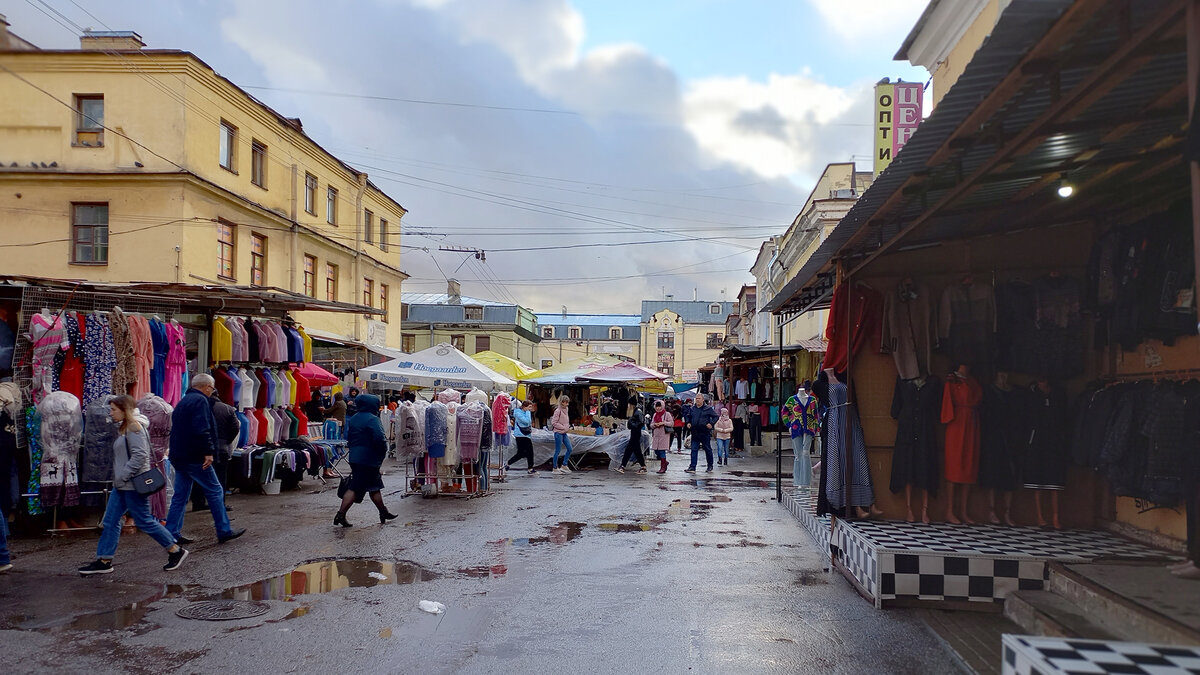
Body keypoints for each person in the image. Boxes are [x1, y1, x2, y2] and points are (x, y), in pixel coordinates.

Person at [79, 395, 189, 575]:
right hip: (123, 485)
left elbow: (140, 456)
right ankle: (104, 560)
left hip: (132, 485)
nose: (111, 413)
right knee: (110, 521)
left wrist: (123, 476)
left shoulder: (134, 428)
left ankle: (175, 551)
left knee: (144, 521)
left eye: (114, 409)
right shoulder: (127, 428)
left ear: (125, 410)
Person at [165, 374, 245, 546]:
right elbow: (202, 428)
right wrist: (208, 451)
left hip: (180, 455)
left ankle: (171, 533)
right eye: (212, 388)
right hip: (195, 456)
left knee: (180, 495)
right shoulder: (200, 402)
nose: (212, 391)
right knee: (215, 490)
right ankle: (223, 530)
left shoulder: (183, 402)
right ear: (207, 387)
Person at [334, 394, 398, 527]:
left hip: (355, 457)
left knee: (373, 486)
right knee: (357, 487)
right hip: (369, 457)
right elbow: (380, 439)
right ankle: (340, 514)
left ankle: (383, 511)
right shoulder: (373, 419)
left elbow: (350, 438)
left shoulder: (354, 418)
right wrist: (381, 454)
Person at [192, 388, 240, 513]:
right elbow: (235, 427)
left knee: (199, 476)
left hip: (199, 448)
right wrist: (226, 440)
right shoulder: (228, 409)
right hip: (220, 448)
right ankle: (220, 505)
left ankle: (198, 503)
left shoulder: (197, 408)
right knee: (219, 479)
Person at [685, 394, 719, 473]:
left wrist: (711, 423)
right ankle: (692, 467)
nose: (697, 400)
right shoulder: (692, 409)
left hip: (704, 432)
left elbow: (716, 416)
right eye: (696, 398)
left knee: (707, 449)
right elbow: (688, 416)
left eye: (699, 398)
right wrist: (688, 423)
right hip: (695, 432)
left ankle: (710, 466)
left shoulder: (708, 408)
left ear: (703, 399)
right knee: (694, 450)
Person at [616, 399, 647, 474]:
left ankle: (623, 466)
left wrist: (632, 424)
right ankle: (642, 466)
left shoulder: (637, 412)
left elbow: (641, 422)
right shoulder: (635, 411)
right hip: (634, 433)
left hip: (636, 433)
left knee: (629, 449)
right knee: (636, 450)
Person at [506, 400, 536, 474]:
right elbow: (527, 422)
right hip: (521, 435)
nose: (530, 408)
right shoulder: (519, 413)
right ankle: (508, 463)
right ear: (524, 406)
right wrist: (528, 412)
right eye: (529, 407)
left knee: (527, 452)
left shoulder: (524, 412)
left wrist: (527, 412)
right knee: (522, 453)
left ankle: (530, 468)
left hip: (525, 435)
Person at [550, 395, 573, 474]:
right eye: (566, 402)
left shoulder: (566, 409)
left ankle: (564, 464)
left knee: (570, 448)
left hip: (564, 433)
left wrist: (567, 427)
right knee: (558, 450)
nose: (567, 404)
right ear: (562, 402)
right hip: (558, 433)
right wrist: (563, 427)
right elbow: (554, 422)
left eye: (567, 402)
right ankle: (555, 467)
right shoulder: (557, 411)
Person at [650, 400, 674, 474]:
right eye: (657, 406)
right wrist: (655, 425)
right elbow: (651, 424)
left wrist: (663, 423)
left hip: (664, 435)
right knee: (656, 451)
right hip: (656, 435)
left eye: (659, 406)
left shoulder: (667, 414)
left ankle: (663, 467)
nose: (658, 408)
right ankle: (665, 462)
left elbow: (671, 423)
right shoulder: (655, 415)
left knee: (662, 451)